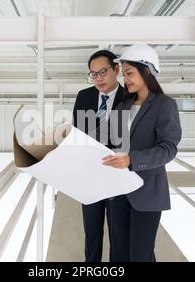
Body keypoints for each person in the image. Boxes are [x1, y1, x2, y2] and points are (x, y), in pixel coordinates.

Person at [102, 44, 182, 262]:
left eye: (129, 73)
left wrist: (131, 160)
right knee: (118, 253)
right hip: (118, 191)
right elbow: (113, 142)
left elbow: (168, 148)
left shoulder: (164, 105)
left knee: (140, 255)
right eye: (124, 74)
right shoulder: (123, 105)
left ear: (147, 71)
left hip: (147, 193)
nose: (125, 79)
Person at [72, 50, 124, 262]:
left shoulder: (130, 97)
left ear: (116, 69)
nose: (98, 78)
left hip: (118, 173)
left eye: (103, 71)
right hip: (90, 175)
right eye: (93, 74)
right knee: (92, 231)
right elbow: (77, 133)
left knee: (118, 232)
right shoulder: (84, 96)